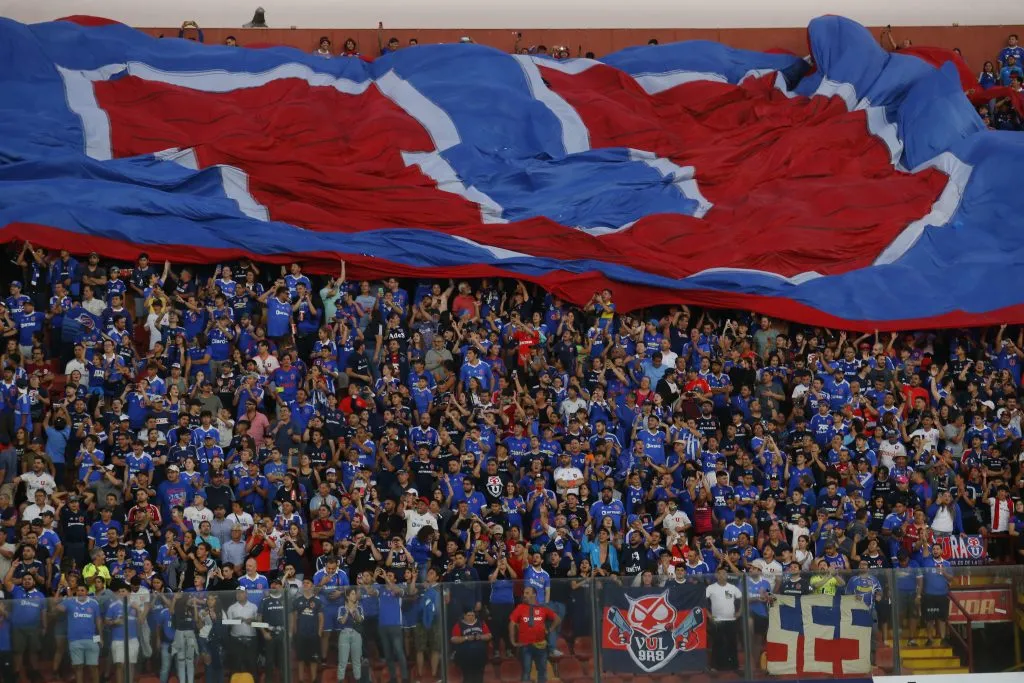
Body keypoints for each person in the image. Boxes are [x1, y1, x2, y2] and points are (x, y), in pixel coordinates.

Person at [509, 586, 560, 683]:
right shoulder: (520, 608)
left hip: (541, 645)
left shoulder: (542, 608)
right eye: (524, 593)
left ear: (534, 594)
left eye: (527, 593)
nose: (524, 595)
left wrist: (549, 630)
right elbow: (512, 623)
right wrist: (513, 641)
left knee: (542, 672)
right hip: (525, 645)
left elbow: (557, 619)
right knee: (526, 672)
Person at [58, 583, 102, 683]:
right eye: (78, 590)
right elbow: (55, 607)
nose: (80, 592)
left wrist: (100, 637)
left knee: (93, 667)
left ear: (87, 592)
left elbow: (98, 620)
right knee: (78, 668)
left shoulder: (94, 603)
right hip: (74, 640)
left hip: (92, 640)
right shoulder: (70, 602)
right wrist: (60, 592)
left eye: (82, 590)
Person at [705, 568, 741, 672]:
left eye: (724, 574)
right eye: (719, 574)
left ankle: (735, 666)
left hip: (731, 620)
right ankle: (714, 667)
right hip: (717, 620)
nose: (721, 576)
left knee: (732, 643)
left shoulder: (733, 588)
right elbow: (703, 602)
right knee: (717, 643)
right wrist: (709, 615)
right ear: (716, 576)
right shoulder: (710, 588)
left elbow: (742, 599)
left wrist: (740, 612)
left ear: (727, 576)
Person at [918, 542, 952, 646]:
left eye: (938, 549)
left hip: (942, 595)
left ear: (941, 551)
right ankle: (930, 639)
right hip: (929, 596)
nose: (935, 551)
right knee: (929, 619)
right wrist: (924, 540)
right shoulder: (927, 561)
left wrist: (943, 572)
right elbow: (924, 549)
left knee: (942, 618)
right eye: (934, 549)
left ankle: (943, 639)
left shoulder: (947, 564)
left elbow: (951, 579)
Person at [451, 606, 491, 683]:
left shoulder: (481, 623)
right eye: (469, 615)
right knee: (468, 678)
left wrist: (481, 637)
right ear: (464, 616)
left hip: (480, 656)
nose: (471, 617)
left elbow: (489, 635)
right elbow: (453, 639)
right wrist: (466, 638)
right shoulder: (459, 624)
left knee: (479, 677)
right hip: (465, 656)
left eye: (473, 615)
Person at [336, 587, 365, 683]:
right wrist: (347, 611)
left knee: (356, 661)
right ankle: (340, 680)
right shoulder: (341, 608)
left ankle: (358, 680)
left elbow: (359, 620)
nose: (355, 596)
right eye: (352, 594)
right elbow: (342, 621)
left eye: (355, 594)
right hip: (344, 634)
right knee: (342, 661)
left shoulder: (360, 607)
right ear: (348, 597)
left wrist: (355, 610)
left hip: (356, 634)